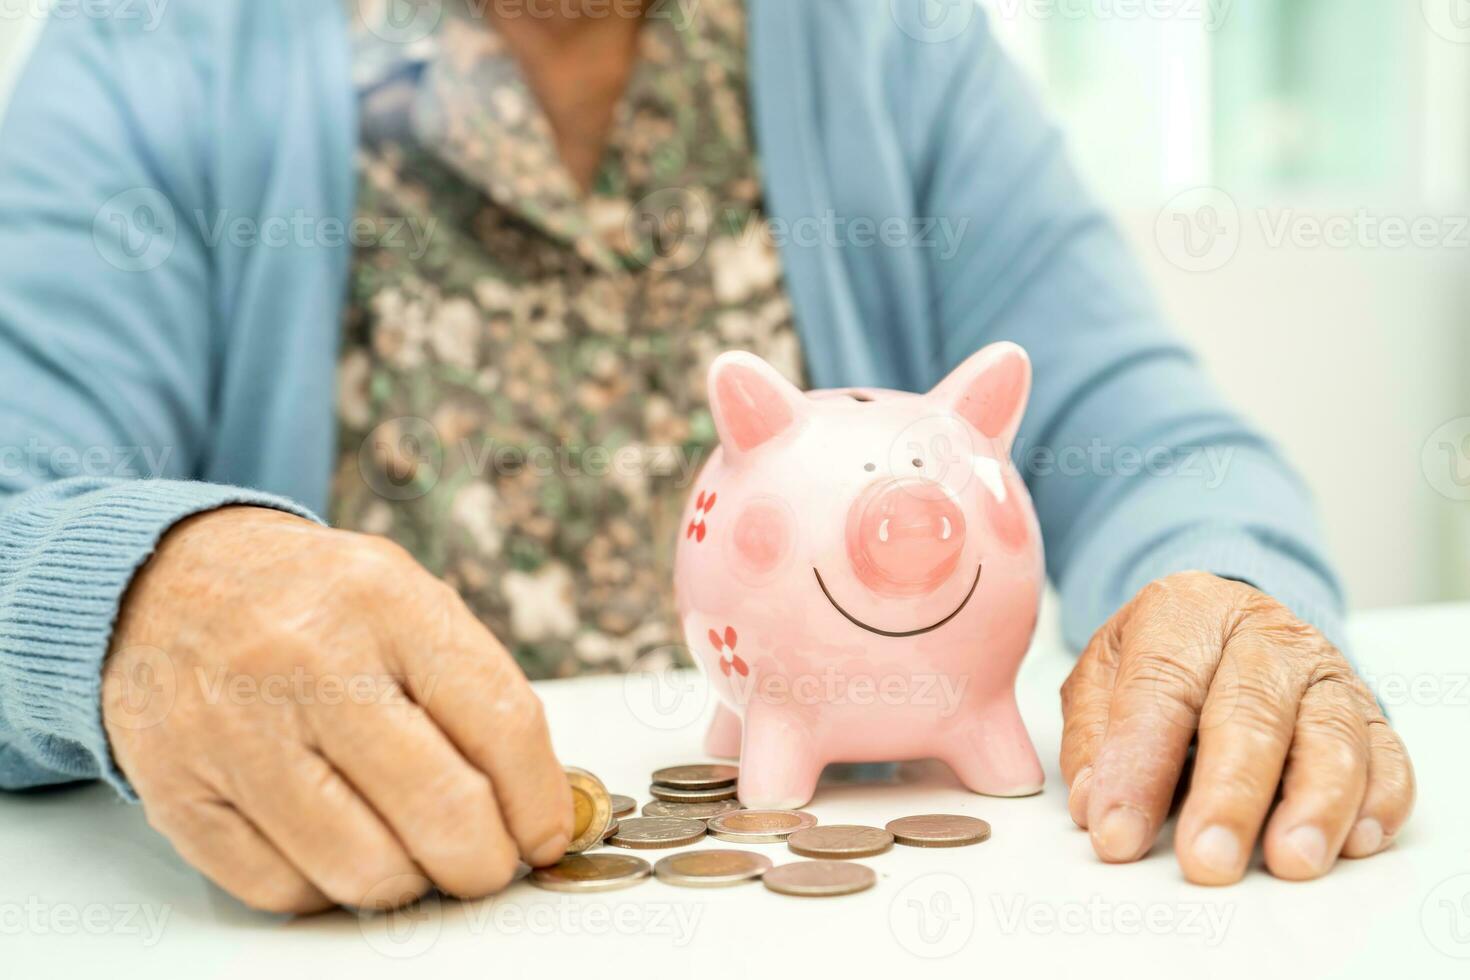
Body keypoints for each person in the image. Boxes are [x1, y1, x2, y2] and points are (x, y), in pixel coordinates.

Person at [0, 0, 1413, 912]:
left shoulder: (887, 47)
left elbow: (1155, 440)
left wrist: (1214, 590)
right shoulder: (152, 42)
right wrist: (143, 595)